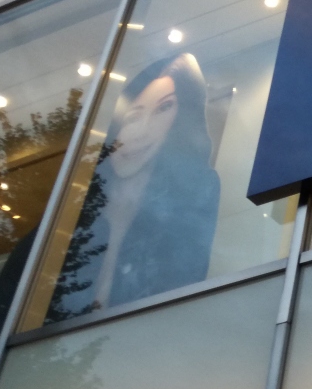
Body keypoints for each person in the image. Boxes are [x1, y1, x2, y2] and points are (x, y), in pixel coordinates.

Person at [48, 53, 222, 320]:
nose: (140, 132)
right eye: (132, 117)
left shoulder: (196, 193)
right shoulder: (70, 215)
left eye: (163, 108)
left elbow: (178, 298)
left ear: (183, 119)